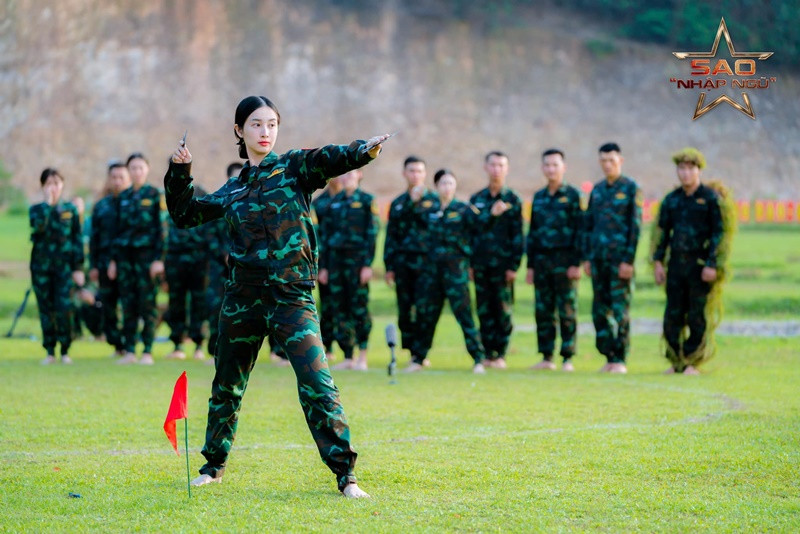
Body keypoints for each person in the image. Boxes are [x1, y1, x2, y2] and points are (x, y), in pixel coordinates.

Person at [165, 95, 388, 497]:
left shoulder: (294, 168)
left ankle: (346, 475)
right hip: (243, 299)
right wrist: (180, 173)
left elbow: (328, 158)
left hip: (292, 297)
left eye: (271, 124)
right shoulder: (233, 189)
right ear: (239, 130)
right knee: (227, 385)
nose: (265, 132)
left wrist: (362, 151)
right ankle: (213, 467)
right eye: (256, 124)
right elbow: (185, 215)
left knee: (317, 383)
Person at [407, 169, 488, 374]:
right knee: (427, 315)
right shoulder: (428, 209)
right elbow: (412, 223)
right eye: (443, 183)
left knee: (464, 315)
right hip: (432, 272)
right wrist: (414, 203)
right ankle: (418, 358)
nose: (447, 187)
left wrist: (472, 261)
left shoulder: (464, 209)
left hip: (456, 271)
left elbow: (481, 227)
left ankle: (478, 359)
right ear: (436, 187)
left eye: (451, 183)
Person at [652, 148, 724, 375]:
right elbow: (662, 233)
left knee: (696, 315)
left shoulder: (710, 198)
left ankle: (692, 362)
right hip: (676, 265)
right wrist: (657, 262)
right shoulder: (672, 200)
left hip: (700, 266)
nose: (685, 173)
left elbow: (719, 234)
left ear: (699, 170)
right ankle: (676, 361)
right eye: (681, 168)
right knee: (672, 315)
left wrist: (712, 264)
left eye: (690, 168)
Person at [582, 142, 642, 374]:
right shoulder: (597, 190)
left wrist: (628, 260)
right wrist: (588, 258)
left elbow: (635, 228)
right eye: (603, 161)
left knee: (620, 310)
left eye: (611, 161)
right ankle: (608, 355)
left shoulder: (630, 188)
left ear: (620, 161)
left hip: (620, 261)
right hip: (599, 260)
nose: (607, 165)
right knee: (599, 311)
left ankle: (620, 358)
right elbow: (589, 225)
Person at [525, 149, 582, 372]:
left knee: (566, 310)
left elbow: (580, 230)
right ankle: (547, 356)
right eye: (547, 165)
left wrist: (576, 262)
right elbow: (533, 233)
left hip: (565, 262)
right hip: (541, 262)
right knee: (543, 310)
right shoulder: (539, 197)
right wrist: (530, 266)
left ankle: (567, 357)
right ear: (542, 168)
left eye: (555, 165)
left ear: (563, 167)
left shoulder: (573, 195)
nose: (551, 169)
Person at [469, 151, 524, 369]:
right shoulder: (477, 199)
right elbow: (471, 232)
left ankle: (500, 354)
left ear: (507, 169)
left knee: (502, 309)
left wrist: (514, 265)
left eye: (501, 165)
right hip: (481, 264)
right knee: (484, 309)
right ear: (485, 167)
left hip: (503, 265)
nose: (496, 170)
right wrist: (470, 264)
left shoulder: (513, 200)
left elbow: (518, 235)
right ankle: (487, 352)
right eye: (493, 165)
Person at [319, 170, 378, 371]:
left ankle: (363, 354)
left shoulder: (367, 201)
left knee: (359, 307)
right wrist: (324, 267)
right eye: (343, 174)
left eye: (351, 174)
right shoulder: (333, 203)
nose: (346, 177)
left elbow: (372, 234)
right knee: (339, 308)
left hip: (357, 263)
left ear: (360, 175)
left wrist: (367, 264)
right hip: (335, 263)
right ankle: (348, 354)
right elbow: (325, 236)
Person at [111, 153, 165, 365]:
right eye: (133, 168)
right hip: (125, 259)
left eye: (140, 168)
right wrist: (114, 260)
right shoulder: (123, 197)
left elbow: (162, 229)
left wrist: (159, 259)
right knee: (128, 304)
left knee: (147, 304)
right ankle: (130, 350)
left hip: (147, 259)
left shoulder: (154, 195)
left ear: (147, 170)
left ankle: (148, 350)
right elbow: (117, 230)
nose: (137, 172)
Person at [384, 156, 437, 365]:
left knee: (424, 308)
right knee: (405, 310)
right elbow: (391, 236)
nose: (415, 175)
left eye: (419, 171)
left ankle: (421, 352)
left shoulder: (434, 201)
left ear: (425, 174)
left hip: (426, 263)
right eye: (412, 171)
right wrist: (389, 266)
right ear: (404, 173)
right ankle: (411, 349)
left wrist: (417, 204)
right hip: (403, 263)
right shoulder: (398, 203)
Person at [29, 168, 85, 364]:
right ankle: (50, 351)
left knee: (64, 308)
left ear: (62, 185)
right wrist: (48, 205)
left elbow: (77, 239)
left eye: (56, 183)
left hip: (64, 269)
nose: (53, 188)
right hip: (41, 269)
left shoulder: (70, 210)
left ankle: (65, 350)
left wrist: (78, 268)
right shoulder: (36, 210)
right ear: (42, 186)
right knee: (46, 310)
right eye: (48, 184)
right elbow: (38, 228)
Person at [164, 183, 212, 361]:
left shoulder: (202, 198)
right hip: (175, 260)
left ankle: (198, 344)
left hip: (199, 260)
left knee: (199, 302)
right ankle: (177, 344)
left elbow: (208, 232)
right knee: (176, 302)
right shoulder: (172, 202)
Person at [89, 162, 130, 357]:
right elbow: (94, 238)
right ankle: (117, 345)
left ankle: (130, 345)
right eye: (114, 177)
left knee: (130, 305)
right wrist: (93, 265)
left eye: (121, 177)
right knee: (108, 306)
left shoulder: (133, 204)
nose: (117, 181)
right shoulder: (101, 206)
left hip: (128, 264)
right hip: (104, 264)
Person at [205, 162, 240, 365]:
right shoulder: (219, 202)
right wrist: (224, 254)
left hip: (245, 267)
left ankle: (237, 354)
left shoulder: (254, 201)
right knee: (216, 308)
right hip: (220, 268)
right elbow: (209, 236)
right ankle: (215, 352)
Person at [311, 177, 345, 362]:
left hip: (346, 263)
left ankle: (350, 350)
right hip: (326, 263)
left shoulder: (349, 199)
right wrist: (321, 266)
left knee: (346, 306)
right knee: (327, 305)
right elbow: (316, 237)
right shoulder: (319, 203)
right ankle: (328, 345)